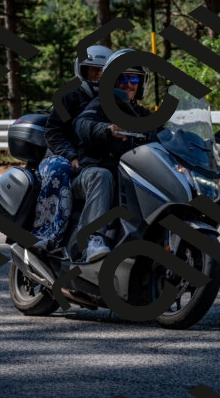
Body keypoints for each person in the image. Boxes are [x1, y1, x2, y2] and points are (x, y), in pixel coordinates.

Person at [72, 48, 159, 262]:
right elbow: (82, 124)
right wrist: (106, 129)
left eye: (134, 78)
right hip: (90, 175)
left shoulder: (142, 114)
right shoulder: (100, 105)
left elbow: (165, 134)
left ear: (141, 83)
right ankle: (93, 240)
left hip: (126, 177)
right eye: (122, 78)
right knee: (102, 175)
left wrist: (193, 139)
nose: (129, 84)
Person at [31, 45, 113, 252]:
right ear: (82, 70)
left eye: (104, 71)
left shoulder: (114, 101)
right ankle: (45, 235)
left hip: (89, 162)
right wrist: (71, 156)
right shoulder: (70, 97)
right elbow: (53, 131)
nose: (98, 75)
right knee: (61, 169)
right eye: (93, 70)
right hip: (59, 157)